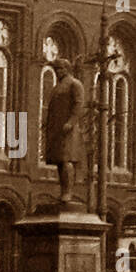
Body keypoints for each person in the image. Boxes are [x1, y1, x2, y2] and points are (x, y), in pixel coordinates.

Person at [43, 58, 87, 205]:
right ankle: (63, 191)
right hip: (57, 129)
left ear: (67, 69)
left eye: (60, 68)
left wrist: (71, 122)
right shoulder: (57, 87)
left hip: (68, 130)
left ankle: (68, 192)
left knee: (67, 160)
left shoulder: (75, 84)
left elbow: (79, 105)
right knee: (60, 162)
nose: (58, 71)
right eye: (56, 69)